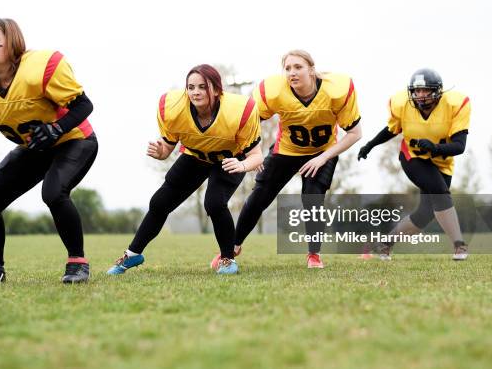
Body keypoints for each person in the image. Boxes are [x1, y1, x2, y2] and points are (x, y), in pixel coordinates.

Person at [0, 18, 97, 284]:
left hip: (75, 140)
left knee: (54, 192)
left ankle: (77, 263)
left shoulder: (40, 67)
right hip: (34, 147)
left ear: (12, 43)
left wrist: (57, 128)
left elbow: (84, 105)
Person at [211, 49, 362, 269]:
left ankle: (314, 254)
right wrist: (255, 152)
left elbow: (355, 134)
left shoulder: (336, 89)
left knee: (313, 199)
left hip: (323, 150)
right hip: (287, 149)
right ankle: (233, 246)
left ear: (311, 69)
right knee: (259, 195)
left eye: (298, 67)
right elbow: (248, 123)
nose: (292, 72)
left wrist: (322, 158)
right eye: (288, 68)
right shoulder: (274, 90)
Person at [106, 64, 263, 275]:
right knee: (159, 203)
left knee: (215, 203)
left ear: (216, 89)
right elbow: (167, 149)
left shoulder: (239, 110)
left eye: (202, 87)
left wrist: (242, 165)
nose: (195, 92)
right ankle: (133, 254)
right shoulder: (174, 107)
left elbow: (257, 156)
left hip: (230, 159)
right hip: (195, 156)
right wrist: (160, 151)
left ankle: (227, 258)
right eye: (191, 87)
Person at [357, 68, 471, 260]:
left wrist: (434, 148)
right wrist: (370, 145)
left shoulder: (455, 104)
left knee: (424, 214)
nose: (420, 95)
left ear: (437, 91)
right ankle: (459, 245)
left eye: (426, 90)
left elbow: (459, 146)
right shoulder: (401, 104)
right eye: (417, 91)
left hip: (442, 162)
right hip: (413, 157)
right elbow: (392, 129)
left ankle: (385, 244)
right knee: (440, 192)